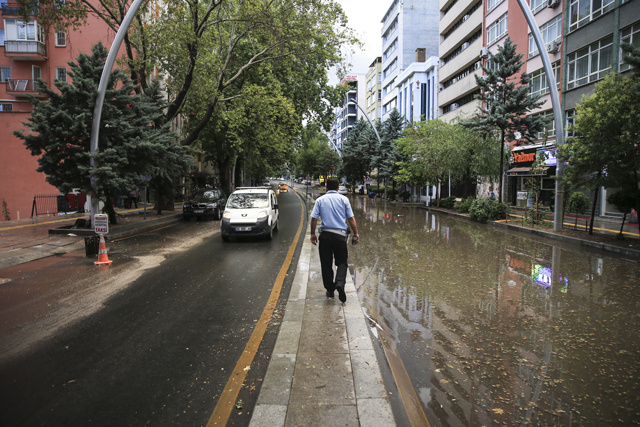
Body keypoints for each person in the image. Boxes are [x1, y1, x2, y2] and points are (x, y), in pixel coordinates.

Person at [310, 178, 359, 303]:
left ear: (326, 187)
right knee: (342, 262)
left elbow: (314, 219)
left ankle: (330, 290)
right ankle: (340, 284)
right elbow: (351, 218)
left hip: (325, 236)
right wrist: (356, 233)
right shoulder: (344, 200)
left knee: (326, 265)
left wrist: (312, 234)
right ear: (338, 187)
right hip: (340, 237)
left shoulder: (320, 200)